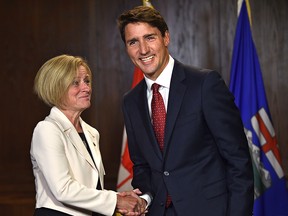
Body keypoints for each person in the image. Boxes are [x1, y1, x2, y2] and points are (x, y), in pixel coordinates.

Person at [117, 6, 254, 216]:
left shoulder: (205, 84)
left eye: (150, 38)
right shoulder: (131, 102)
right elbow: (142, 166)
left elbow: (238, 160)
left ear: (166, 38)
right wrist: (145, 198)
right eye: (133, 42)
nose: (143, 50)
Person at [31, 54, 145, 216]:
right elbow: (63, 189)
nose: (86, 88)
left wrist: (118, 201)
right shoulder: (47, 129)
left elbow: (91, 188)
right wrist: (116, 200)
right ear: (56, 87)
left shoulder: (92, 133)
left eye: (87, 81)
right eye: (76, 83)